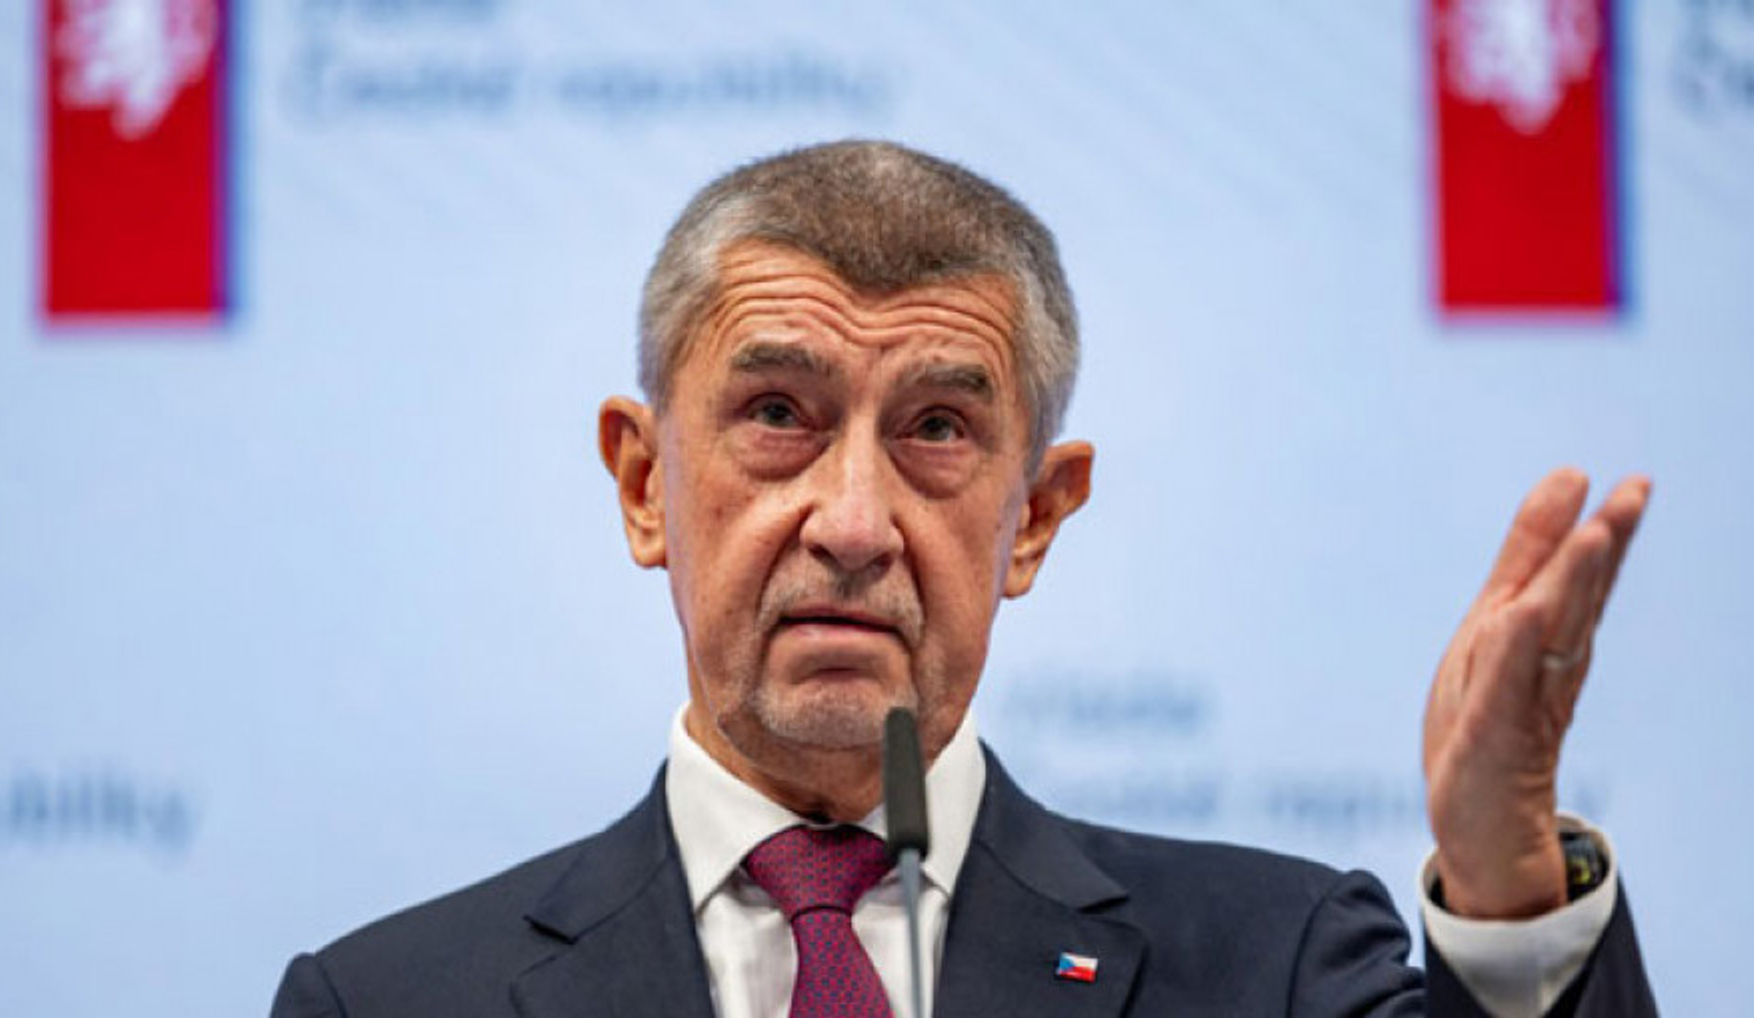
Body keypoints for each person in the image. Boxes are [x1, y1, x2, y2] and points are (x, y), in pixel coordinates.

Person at [270, 140, 1657, 1017]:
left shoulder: (1275, 963)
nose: (853, 522)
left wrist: (1507, 896)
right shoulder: (387, 1000)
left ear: (1035, 517)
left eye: (936, 428)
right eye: (777, 413)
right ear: (644, 484)